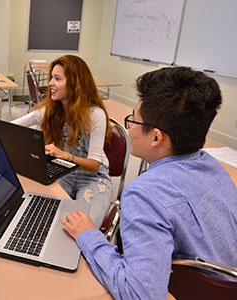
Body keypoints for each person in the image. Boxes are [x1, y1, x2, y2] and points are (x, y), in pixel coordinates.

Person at [61, 67, 237, 299]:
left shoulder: (144, 195)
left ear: (156, 137)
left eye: (133, 119)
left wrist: (88, 235)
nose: (129, 127)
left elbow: (140, 294)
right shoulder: (216, 170)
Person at [13, 55, 112, 227]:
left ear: (75, 84)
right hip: (62, 172)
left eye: (57, 78)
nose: (50, 83)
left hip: (92, 177)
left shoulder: (95, 115)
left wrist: (66, 156)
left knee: (83, 229)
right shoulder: (51, 110)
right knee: (39, 218)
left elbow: (94, 165)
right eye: (52, 77)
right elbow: (11, 128)